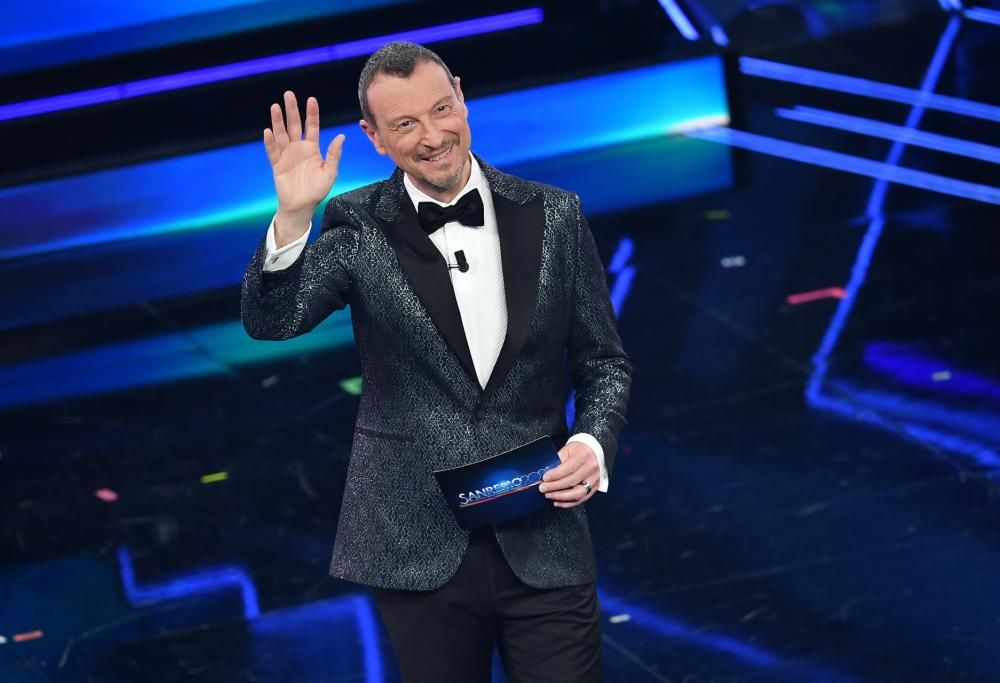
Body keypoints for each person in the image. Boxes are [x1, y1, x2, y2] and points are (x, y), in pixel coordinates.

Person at [241, 41, 632, 683]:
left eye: (441, 109)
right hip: (414, 539)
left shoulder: (554, 214)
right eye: (405, 124)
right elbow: (272, 321)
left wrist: (591, 443)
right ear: (374, 137)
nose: (432, 136)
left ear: (461, 96)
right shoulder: (356, 224)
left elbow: (604, 362)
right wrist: (293, 216)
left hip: (542, 529)